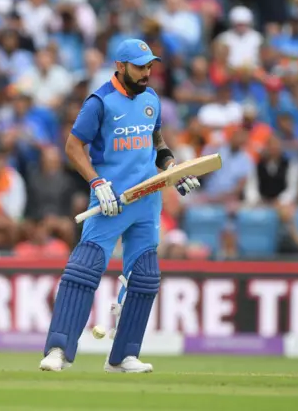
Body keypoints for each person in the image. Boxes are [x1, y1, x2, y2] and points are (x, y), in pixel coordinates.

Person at [39, 39, 200, 373]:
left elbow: (157, 145)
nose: (147, 72)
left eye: (150, 66)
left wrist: (173, 169)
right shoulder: (100, 101)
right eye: (140, 66)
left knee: (144, 277)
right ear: (121, 65)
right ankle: (58, 350)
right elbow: (73, 146)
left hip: (147, 201)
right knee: (84, 269)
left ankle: (123, 355)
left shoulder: (151, 99)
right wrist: (96, 183)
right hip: (111, 200)